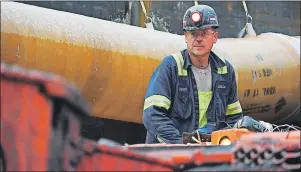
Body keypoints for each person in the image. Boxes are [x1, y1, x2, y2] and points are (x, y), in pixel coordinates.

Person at [142, 4, 243, 144]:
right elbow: (153, 115)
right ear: (185, 37)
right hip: (168, 154)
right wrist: (180, 144)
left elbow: (233, 119)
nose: (198, 39)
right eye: (193, 33)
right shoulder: (171, 67)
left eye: (204, 33)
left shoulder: (225, 70)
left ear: (215, 37)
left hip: (207, 153)